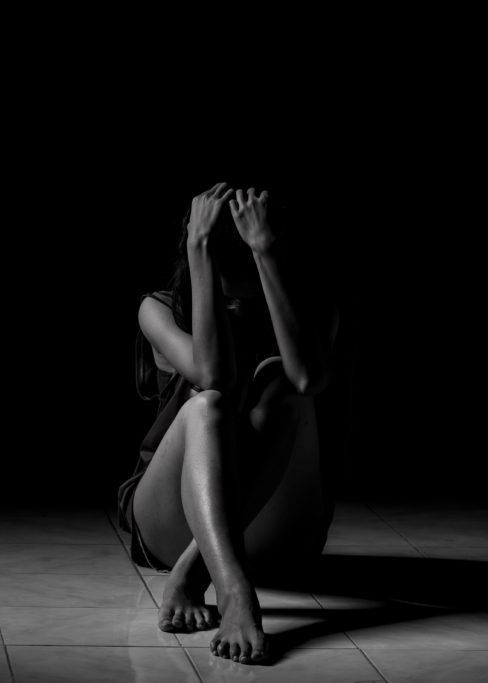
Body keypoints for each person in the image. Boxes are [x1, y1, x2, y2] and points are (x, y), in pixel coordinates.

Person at [116, 182, 339, 665]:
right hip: (168, 522)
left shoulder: (310, 308)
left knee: (284, 381)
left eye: (245, 288)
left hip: (278, 528)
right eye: (224, 280)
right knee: (207, 404)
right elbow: (213, 374)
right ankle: (234, 588)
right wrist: (199, 248)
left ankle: (199, 568)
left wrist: (264, 250)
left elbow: (306, 377)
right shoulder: (157, 308)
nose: (236, 303)